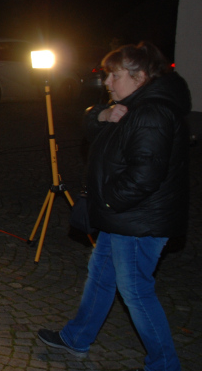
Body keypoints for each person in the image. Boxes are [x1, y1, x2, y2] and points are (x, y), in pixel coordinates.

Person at [38, 42, 189, 371]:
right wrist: (102, 114)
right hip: (122, 216)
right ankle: (77, 337)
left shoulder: (151, 113)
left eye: (115, 76)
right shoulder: (131, 105)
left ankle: (165, 365)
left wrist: (105, 200)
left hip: (137, 219)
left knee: (135, 290)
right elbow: (94, 130)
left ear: (140, 77)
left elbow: (144, 176)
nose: (107, 82)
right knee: (101, 274)